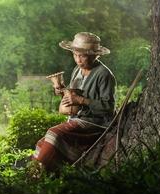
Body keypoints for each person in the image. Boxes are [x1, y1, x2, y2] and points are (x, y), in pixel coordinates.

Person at [32, 32, 116, 171]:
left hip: (95, 123)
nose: (78, 59)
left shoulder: (104, 74)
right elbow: (72, 98)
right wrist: (62, 90)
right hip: (76, 119)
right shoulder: (77, 70)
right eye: (75, 55)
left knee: (54, 134)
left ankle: (38, 173)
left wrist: (81, 100)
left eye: (82, 56)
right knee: (43, 143)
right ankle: (40, 172)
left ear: (95, 55)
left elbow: (109, 107)